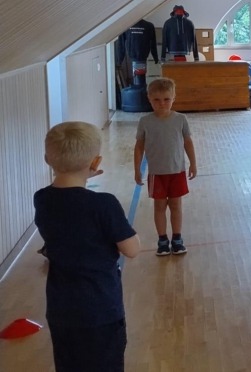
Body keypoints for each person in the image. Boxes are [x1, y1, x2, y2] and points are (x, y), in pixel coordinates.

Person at [35, 122, 140, 371]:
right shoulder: (104, 204)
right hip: (100, 308)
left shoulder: (42, 198)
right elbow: (131, 249)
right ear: (96, 162)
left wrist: (79, 175)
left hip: (61, 310)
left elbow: (70, 218)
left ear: (47, 160)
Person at [134, 77, 197, 255]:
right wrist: (137, 169)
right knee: (159, 207)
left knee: (176, 206)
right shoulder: (145, 121)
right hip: (156, 174)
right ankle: (162, 240)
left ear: (173, 98)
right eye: (157, 100)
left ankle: (177, 239)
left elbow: (188, 142)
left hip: (177, 171)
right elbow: (139, 147)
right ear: (149, 99)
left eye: (166, 99)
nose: (162, 103)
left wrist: (193, 163)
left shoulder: (181, 119)